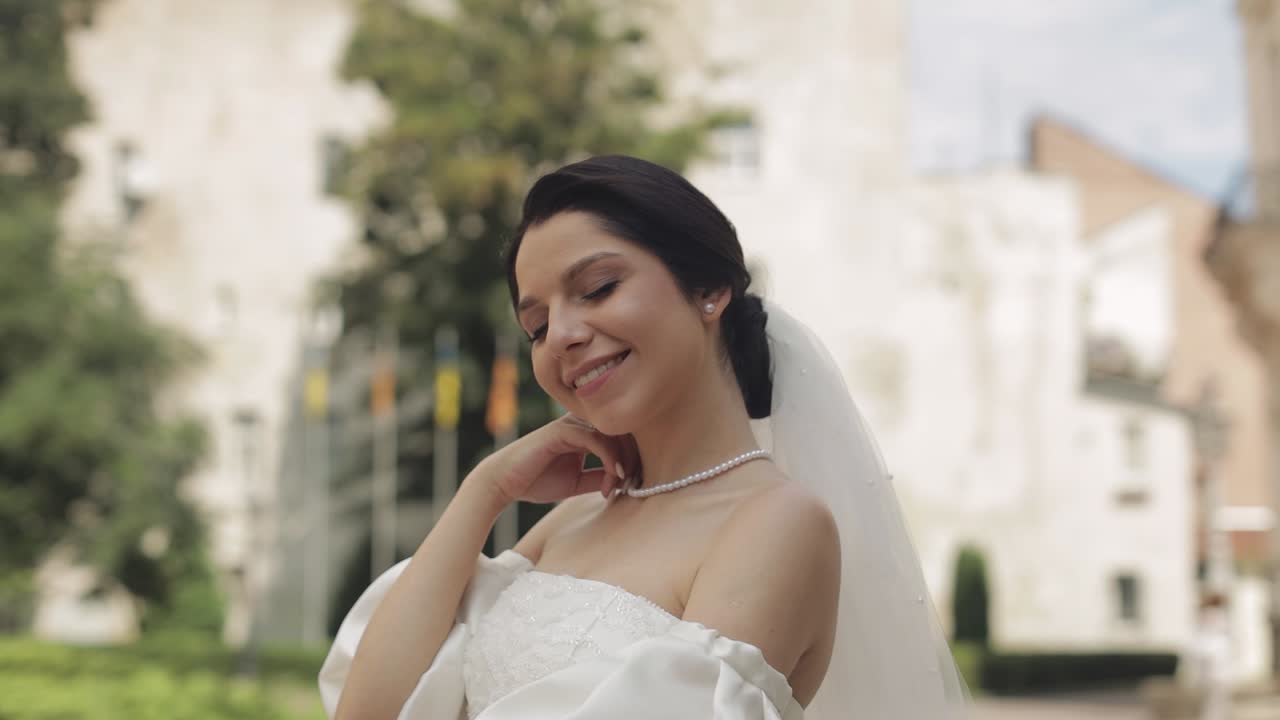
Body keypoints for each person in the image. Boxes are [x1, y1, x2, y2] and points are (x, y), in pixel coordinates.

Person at [319, 155, 967, 719]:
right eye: (537, 326)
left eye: (598, 288)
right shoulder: (571, 520)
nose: (562, 335)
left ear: (709, 289)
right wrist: (485, 489)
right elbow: (368, 712)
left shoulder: (778, 524)